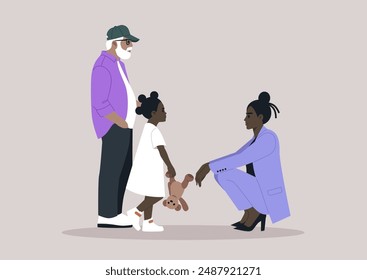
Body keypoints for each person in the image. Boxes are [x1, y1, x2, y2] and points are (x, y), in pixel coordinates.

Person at [195, 92, 290, 231]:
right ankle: (250, 211)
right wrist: (209, 165)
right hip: (259, 190)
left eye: (249, 115)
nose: (245, 119)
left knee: (226, 174)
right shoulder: (255, 140)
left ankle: (256, 212)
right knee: (221, 174)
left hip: (267, 194)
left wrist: (208, 166)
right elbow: (237, 155)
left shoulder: (268, 138)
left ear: (260, 117)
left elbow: (241, 159)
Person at [91, 25, 140, 228]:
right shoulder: (102, 65)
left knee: (124, 168)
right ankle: (106, 214)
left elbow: (121, 92)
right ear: (114, 43)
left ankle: (115, 212)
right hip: (113, 126)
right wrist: (118, 120)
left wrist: (134, 104)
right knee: (112, 170)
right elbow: (100, 101)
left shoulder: (119, 64)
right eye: (127, 42)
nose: (130, 46)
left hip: (125, 125)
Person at [126, 91, 176, 232]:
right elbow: (162, 150)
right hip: (150, 169)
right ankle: (135, 212)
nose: (165, 113)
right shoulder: (154, 131)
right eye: (162, 110)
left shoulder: (147, 128)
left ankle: (148, 222)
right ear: (154, 113)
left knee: (149, 194)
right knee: (157, 195)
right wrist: (171, 167)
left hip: (147, 167)